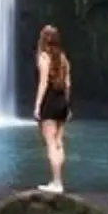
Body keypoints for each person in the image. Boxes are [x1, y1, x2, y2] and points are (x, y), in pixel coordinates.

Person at [34, 24, 72, 193]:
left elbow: (43, 83)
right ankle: (58, 180)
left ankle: (56, 183)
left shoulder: (44, 56)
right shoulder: (63, 57)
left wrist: (37, 105)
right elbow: (68, 84)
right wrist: (67, 104)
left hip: (49, 100)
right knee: (58, 142)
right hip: (62, 101)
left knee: (50, 143)